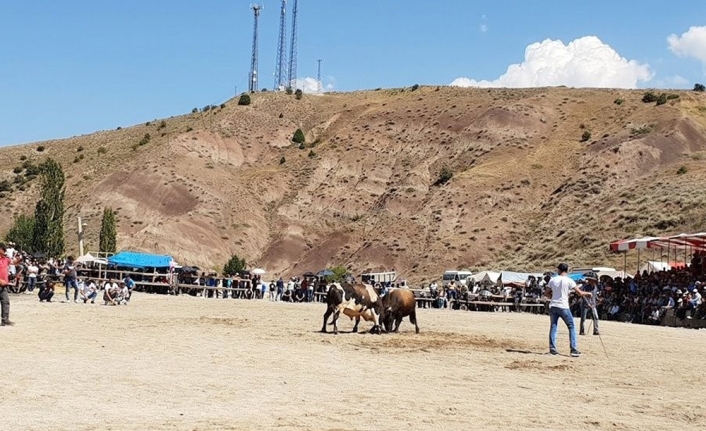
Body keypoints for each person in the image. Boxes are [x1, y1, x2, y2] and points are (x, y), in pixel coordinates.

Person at [546, 263, 593, 357]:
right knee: (571, 326)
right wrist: (588, 293)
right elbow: (579, 293)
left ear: (559, 270)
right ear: (566, 270)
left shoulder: (553, 280)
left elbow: (546, 293)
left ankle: (552, 349)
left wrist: (553, 296)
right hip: (563, 306)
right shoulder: (569, 280)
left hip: (553, 305)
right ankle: (573, 349)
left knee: (553, 327)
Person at [0, 243, 24, 326]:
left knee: (5, 302)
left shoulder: (5, 259)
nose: (6, 251)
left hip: (3, 286)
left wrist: (20, 258)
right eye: (4, 250)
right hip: (1, 283)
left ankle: (5, 320)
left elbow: (14, 262)